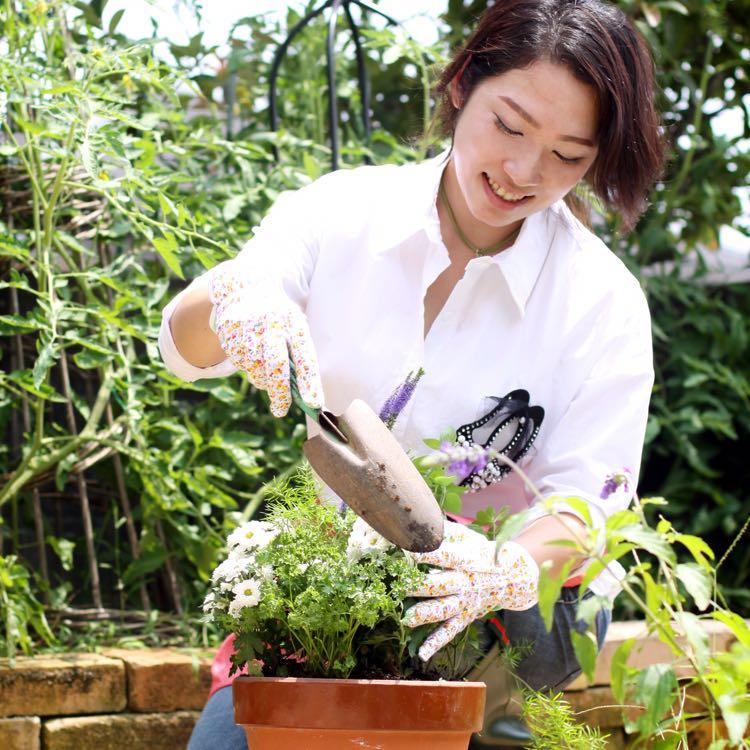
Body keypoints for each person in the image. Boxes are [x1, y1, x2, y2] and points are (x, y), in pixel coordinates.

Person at [159, 1, 665, 746]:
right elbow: (184, 347)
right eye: (510, 126)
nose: (525, 171)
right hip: (344, 588)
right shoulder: (341, 214)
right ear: (463, 84)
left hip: (514, 609)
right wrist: (238, 298)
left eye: (568, 156)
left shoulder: (603, 304)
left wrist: (503, 565)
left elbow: (591, 507)